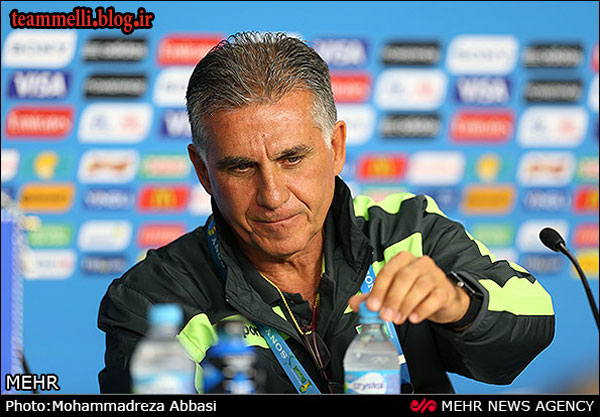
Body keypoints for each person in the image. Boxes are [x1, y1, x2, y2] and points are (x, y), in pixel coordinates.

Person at [98, 31, 555, 394]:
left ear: (335, 147)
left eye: (292, 159)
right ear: (202, 170)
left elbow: (532, 323)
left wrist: (460, 305)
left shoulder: (404, 229)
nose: (273, 195)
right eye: (241, 168)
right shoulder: (153, 299)